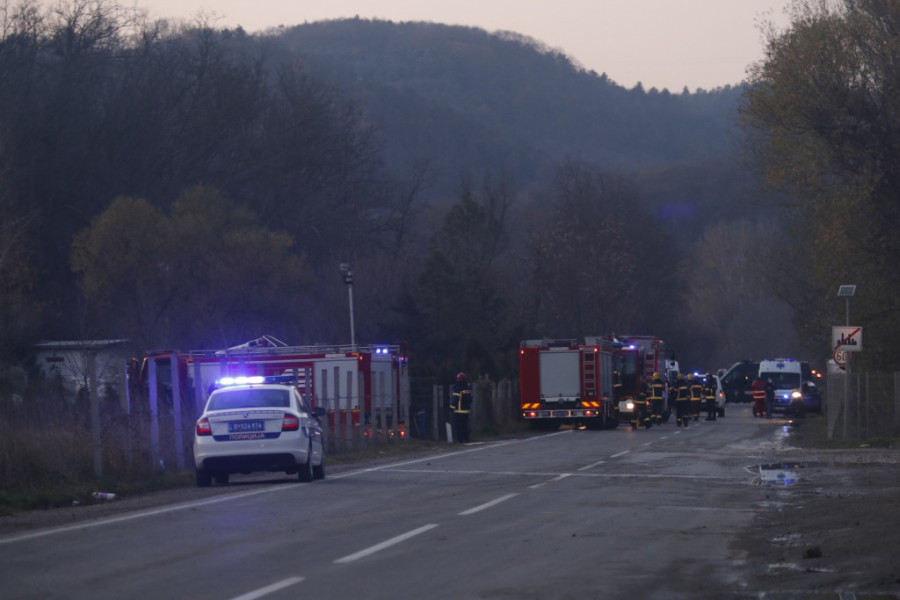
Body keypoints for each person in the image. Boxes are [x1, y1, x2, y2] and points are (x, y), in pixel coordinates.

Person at [450, 372, 473, 443]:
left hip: (459, 411)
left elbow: (455, 400)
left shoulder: (458, 388)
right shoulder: (468, 388)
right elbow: (470, 399)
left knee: (458, 427)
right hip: (466, 411)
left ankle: (460, 441)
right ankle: (466, 439)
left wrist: (451, 408)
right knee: (465, 426)